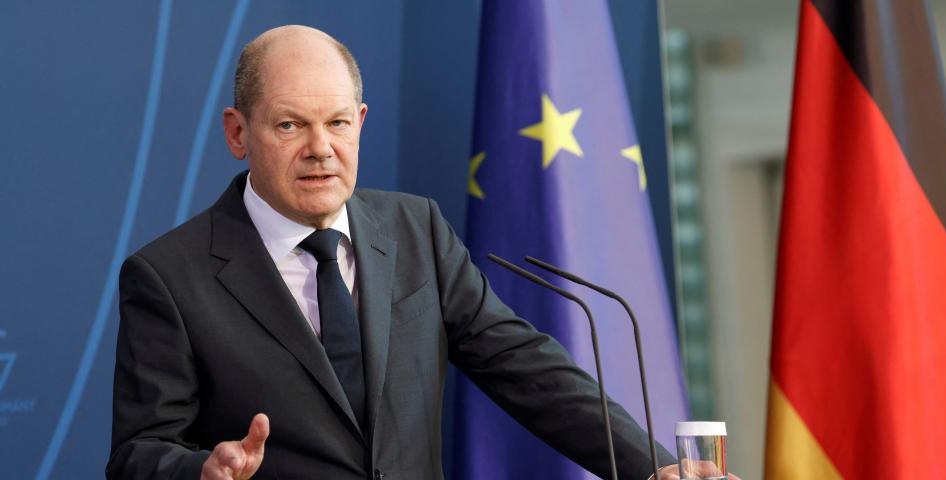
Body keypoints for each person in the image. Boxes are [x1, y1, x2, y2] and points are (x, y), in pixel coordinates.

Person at [107, 25, 704, 480]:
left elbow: (526, 368)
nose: (322, 149)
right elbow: (139, 450)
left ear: (360, 122)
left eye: (338, 122)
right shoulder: (169, 277)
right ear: (238, 133)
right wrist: (201, 470)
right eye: (290, 126)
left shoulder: (415, 228)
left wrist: (653, 468)